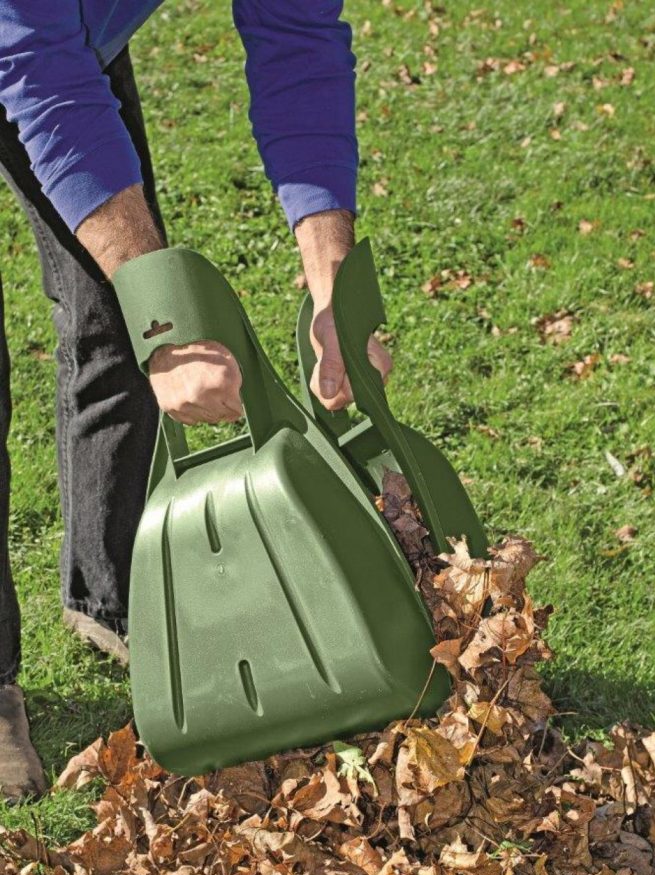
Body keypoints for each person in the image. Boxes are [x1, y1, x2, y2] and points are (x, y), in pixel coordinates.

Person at [0, 1, 392, 803]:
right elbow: (38, 71)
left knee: (118, 314)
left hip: (68, 41)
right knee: (147, 309)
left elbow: (297, 39)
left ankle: (117, 597)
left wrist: (333, 286)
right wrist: (168, 328)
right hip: (35, 46)